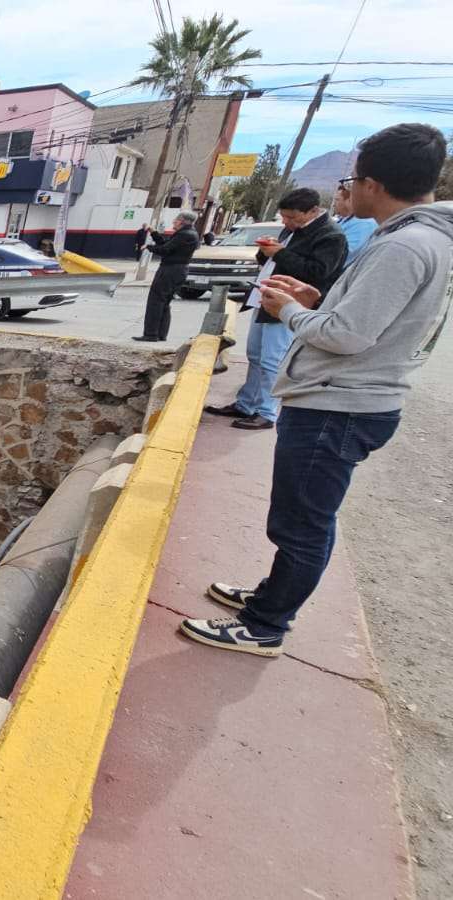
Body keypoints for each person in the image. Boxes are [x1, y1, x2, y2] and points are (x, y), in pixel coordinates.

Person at [180, 123, 453, 658]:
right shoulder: (419, 240)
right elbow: (369, 319)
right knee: (302, 517)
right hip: (345, 398)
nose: (347, 190)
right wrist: (317, 300)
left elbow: (348, 336)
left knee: (302, 523)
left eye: (351, 181)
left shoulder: (405, 245)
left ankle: (265, 625)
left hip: (339, 403)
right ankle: (271, 597)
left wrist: (291, 311)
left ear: (373, 183)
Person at [204, 188, 348, 430]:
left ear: (313, 211)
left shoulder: (330, 236)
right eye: (284, 216)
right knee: (255, 354)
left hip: (290, 304)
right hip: (265, 297)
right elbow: (271, 261)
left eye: (292, 217)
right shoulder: (292, 230)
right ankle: (246, 404)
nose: (286, 222)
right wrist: (266, 251)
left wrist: (280, 253)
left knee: (273, 359)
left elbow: (318, 272)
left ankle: (267, 412)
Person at [134, 211, 201, 342]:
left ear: (182, 221)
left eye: (176, 219)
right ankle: (160, 334)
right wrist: (153, 232)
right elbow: (165, 244)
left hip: (170, 270)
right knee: (164, 302)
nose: (173, 222)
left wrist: (149, 247)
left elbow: (165, 250)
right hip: (177, 270)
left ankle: (151, 334)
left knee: (156, 301)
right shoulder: (189, 233)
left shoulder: (184, 234)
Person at [332, 180, 378, 266]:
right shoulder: (345, 219)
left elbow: (345, 255)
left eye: (337, 200)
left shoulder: (364, 223)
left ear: (350, 200)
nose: (334, 204)